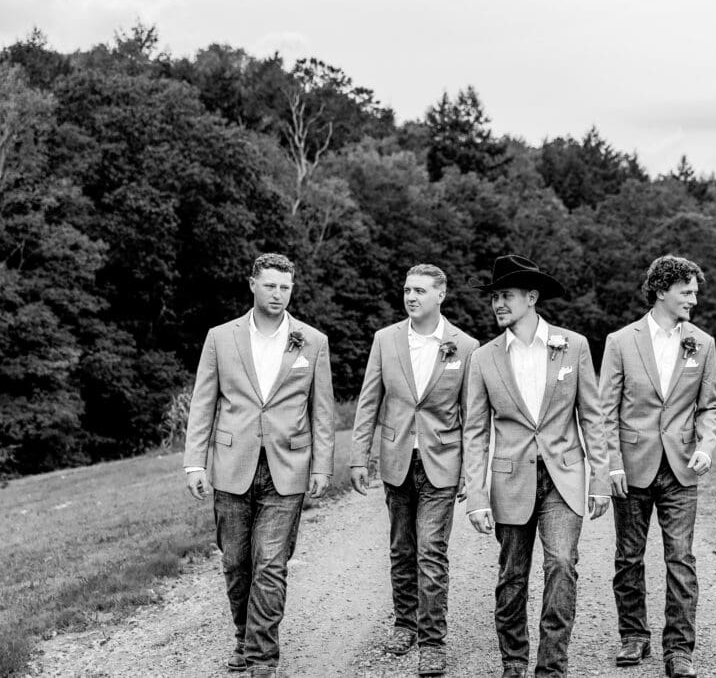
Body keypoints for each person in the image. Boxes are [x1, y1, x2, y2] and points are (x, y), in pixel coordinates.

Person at [183, 253, 334, 677]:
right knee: (236, 561)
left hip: (288, 466)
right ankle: (243, 635)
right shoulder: (221, 337)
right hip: (231, 463)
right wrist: (195, 463)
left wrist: (322, 466)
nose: (278, 294)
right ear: (252, 284)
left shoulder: (312, 341)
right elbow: (203, 403)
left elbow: (322, 410)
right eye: (270, 285)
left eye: (285, 287)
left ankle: (262, 658)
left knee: (271, 562)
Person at [462, 254, 611, 678]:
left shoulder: (574, 345)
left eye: (505, 295)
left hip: (563, 477)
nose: (497, 304)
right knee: (512, 576)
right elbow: (476, 432)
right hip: (510, 480)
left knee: (561, 565)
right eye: (493, 297)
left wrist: (599, 479)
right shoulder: (484, 358)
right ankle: (513, 663)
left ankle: (551, 667)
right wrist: (475, 496)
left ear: (532, 297)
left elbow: (592, 417)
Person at [349, 264, 479, 676]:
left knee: (431, 551)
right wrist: (358, 457)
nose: (411, 297)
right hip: (396, 460)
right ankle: (404, 624)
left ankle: (433, 641)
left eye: (420, 290)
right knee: (401, 547)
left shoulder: (466, 346)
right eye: (407, 289)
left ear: (441, 295)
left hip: (442, 462)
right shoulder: (385, 340)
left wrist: (471, 475)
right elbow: (369, 402)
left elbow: (472, 416)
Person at [598, 255, 716, 678]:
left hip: (682, 467)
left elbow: (711, 406)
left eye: (695, 292)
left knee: (681, 558)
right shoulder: (621, 341)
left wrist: (706, 444)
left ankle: (679, 648)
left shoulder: (702, 343)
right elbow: (604, 410)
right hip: (632, 466)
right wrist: (612, 464)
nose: (694, 300)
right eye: (687, 292)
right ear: (661, 290)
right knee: (628, 557)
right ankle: (633, 636)